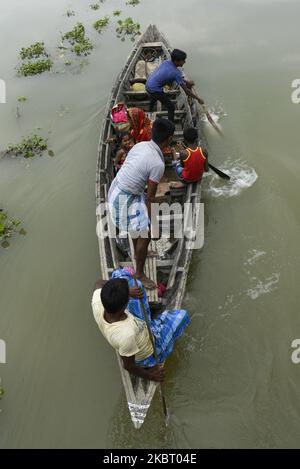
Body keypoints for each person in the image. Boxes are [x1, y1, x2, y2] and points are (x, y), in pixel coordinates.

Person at [108, 118, 175, 290]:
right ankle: (139, 273)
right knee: (145, 234)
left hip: (117, 188)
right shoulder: (158, 163)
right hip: (125, 197)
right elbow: (150, 198)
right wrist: (155, 225)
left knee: (138, 231)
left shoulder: (141, 145)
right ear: (168, 139)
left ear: (152, 133)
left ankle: (140, 252)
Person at [92, 268, 190, 382]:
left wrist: (127, 291)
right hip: (148, 351)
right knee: (183, 315)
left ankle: (139, 304)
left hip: (135, 324)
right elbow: (129, 366)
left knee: (123, 276)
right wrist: (152, 376)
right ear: (125, 305)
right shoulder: (126, 334)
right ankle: (152, 359)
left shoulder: (97, 301)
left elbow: (98, 283)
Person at [146, 49, 204, 122]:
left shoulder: (166, 62)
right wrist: (198, 98)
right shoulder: (176, 73)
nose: (184, 62)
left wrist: (186, 82)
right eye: (183, 60)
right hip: (155, 90)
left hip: (148, 84)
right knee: (171, 107)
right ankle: (171, 125)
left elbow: (177, 78)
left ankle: (150, 110)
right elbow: (186, 91)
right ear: (176, 61)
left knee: (153, 97)